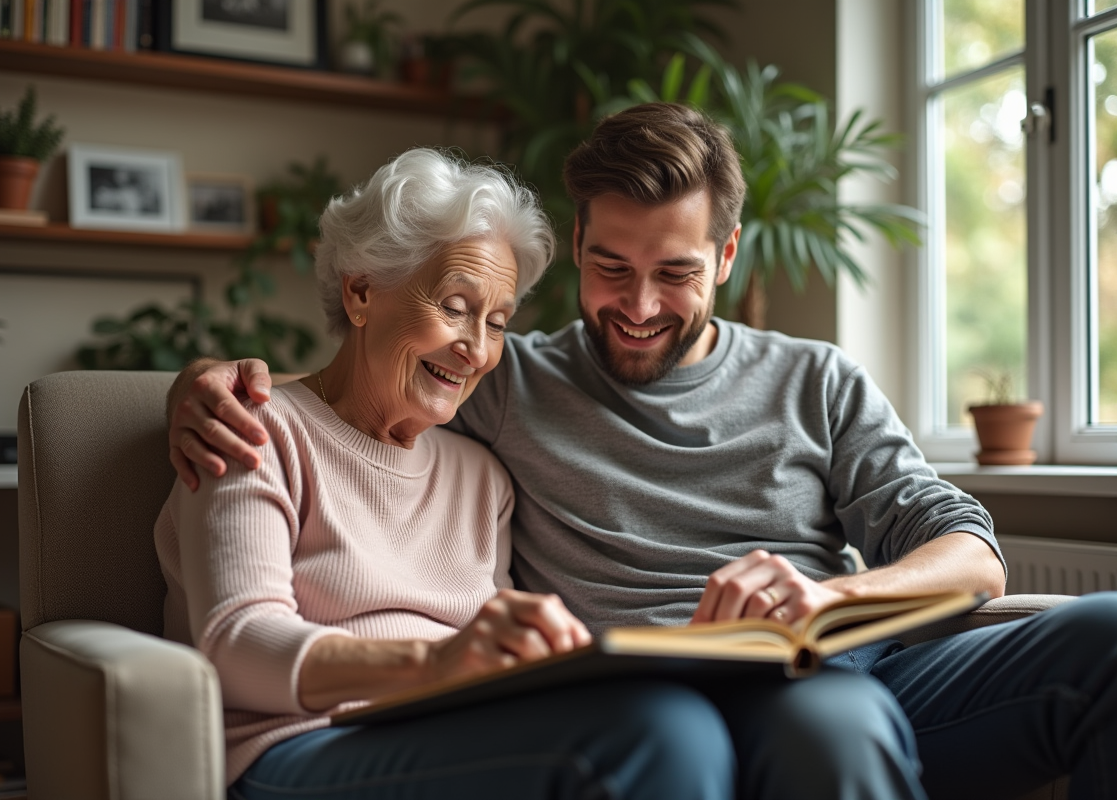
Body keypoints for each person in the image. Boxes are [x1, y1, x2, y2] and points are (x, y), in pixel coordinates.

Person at [170, 106, 1117, 800]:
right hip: (655, 702)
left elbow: (974, 555)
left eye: (676, 274)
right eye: (610, 268)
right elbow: (348, 393)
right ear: (578, 243)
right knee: (810, 732)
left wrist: (830, 597)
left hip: (828, 657)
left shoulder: (818, 379)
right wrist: (199, 382)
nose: (639, 306)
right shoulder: (506, 385)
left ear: (730, 256)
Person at [155, 147, 736, 800]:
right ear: (361, 291)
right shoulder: (249, 431)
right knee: (662, 733)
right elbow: (236, 647)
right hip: (296, 748)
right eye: (455, 307)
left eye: (497, 322)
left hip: (449, 736)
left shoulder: (481, 477)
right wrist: (433, 663)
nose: (477, 349)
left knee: (682, 722)